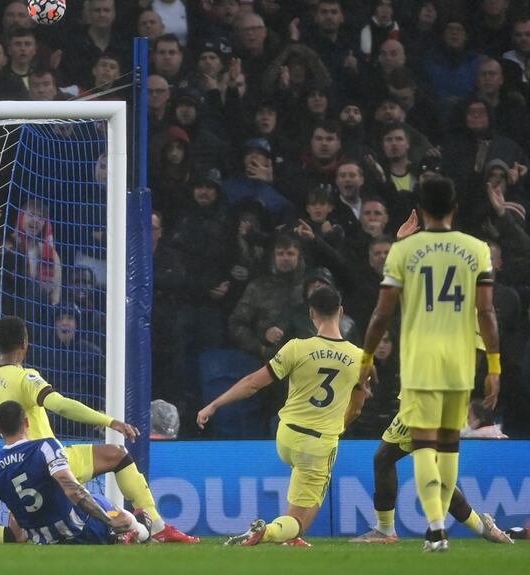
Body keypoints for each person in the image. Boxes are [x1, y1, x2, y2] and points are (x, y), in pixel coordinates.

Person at [0, 316, 198, 544]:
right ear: (25, 343)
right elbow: (60, 405)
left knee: (17, 534)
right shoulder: (25, 377)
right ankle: (156, 526)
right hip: (49, 459)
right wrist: (109, 421)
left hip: (16, 470)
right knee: (118, 455)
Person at [358, 177, 500, 552]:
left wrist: (366, 357)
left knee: (421, 449)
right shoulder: (477, 249)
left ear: (420, 209)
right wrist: (496, 367)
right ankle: (466, 526)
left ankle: (437, 528)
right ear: (455, 207)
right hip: (460, 361)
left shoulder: (404, 250)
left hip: (421, 362)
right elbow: (486, 312)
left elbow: (380, 315)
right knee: (449, 448)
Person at [198, 286, 367, 546]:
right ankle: (271, 531)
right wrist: (335, 428)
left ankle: (290, 536)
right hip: (318, 442)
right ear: (341, 312)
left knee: (303, 484)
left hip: (286, 435)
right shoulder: (360, 358)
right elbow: (356, 409)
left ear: (312, 314)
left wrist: (214, 405)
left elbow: (253, 383)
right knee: (303, 514)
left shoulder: (296, 348)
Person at [0, 400, 148, 545]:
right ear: (27, 422)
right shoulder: (45, 447)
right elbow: (72, 489)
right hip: (81, 530)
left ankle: (119, 534)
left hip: (44, 541)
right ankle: (139, 531)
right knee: (125, 516)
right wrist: (109, 520)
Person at [350, 411, 513, 545]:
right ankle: (484, 528)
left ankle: (385, 530)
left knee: (384, 459)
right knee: (433, 477)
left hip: (422, 403)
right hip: (420, 400)